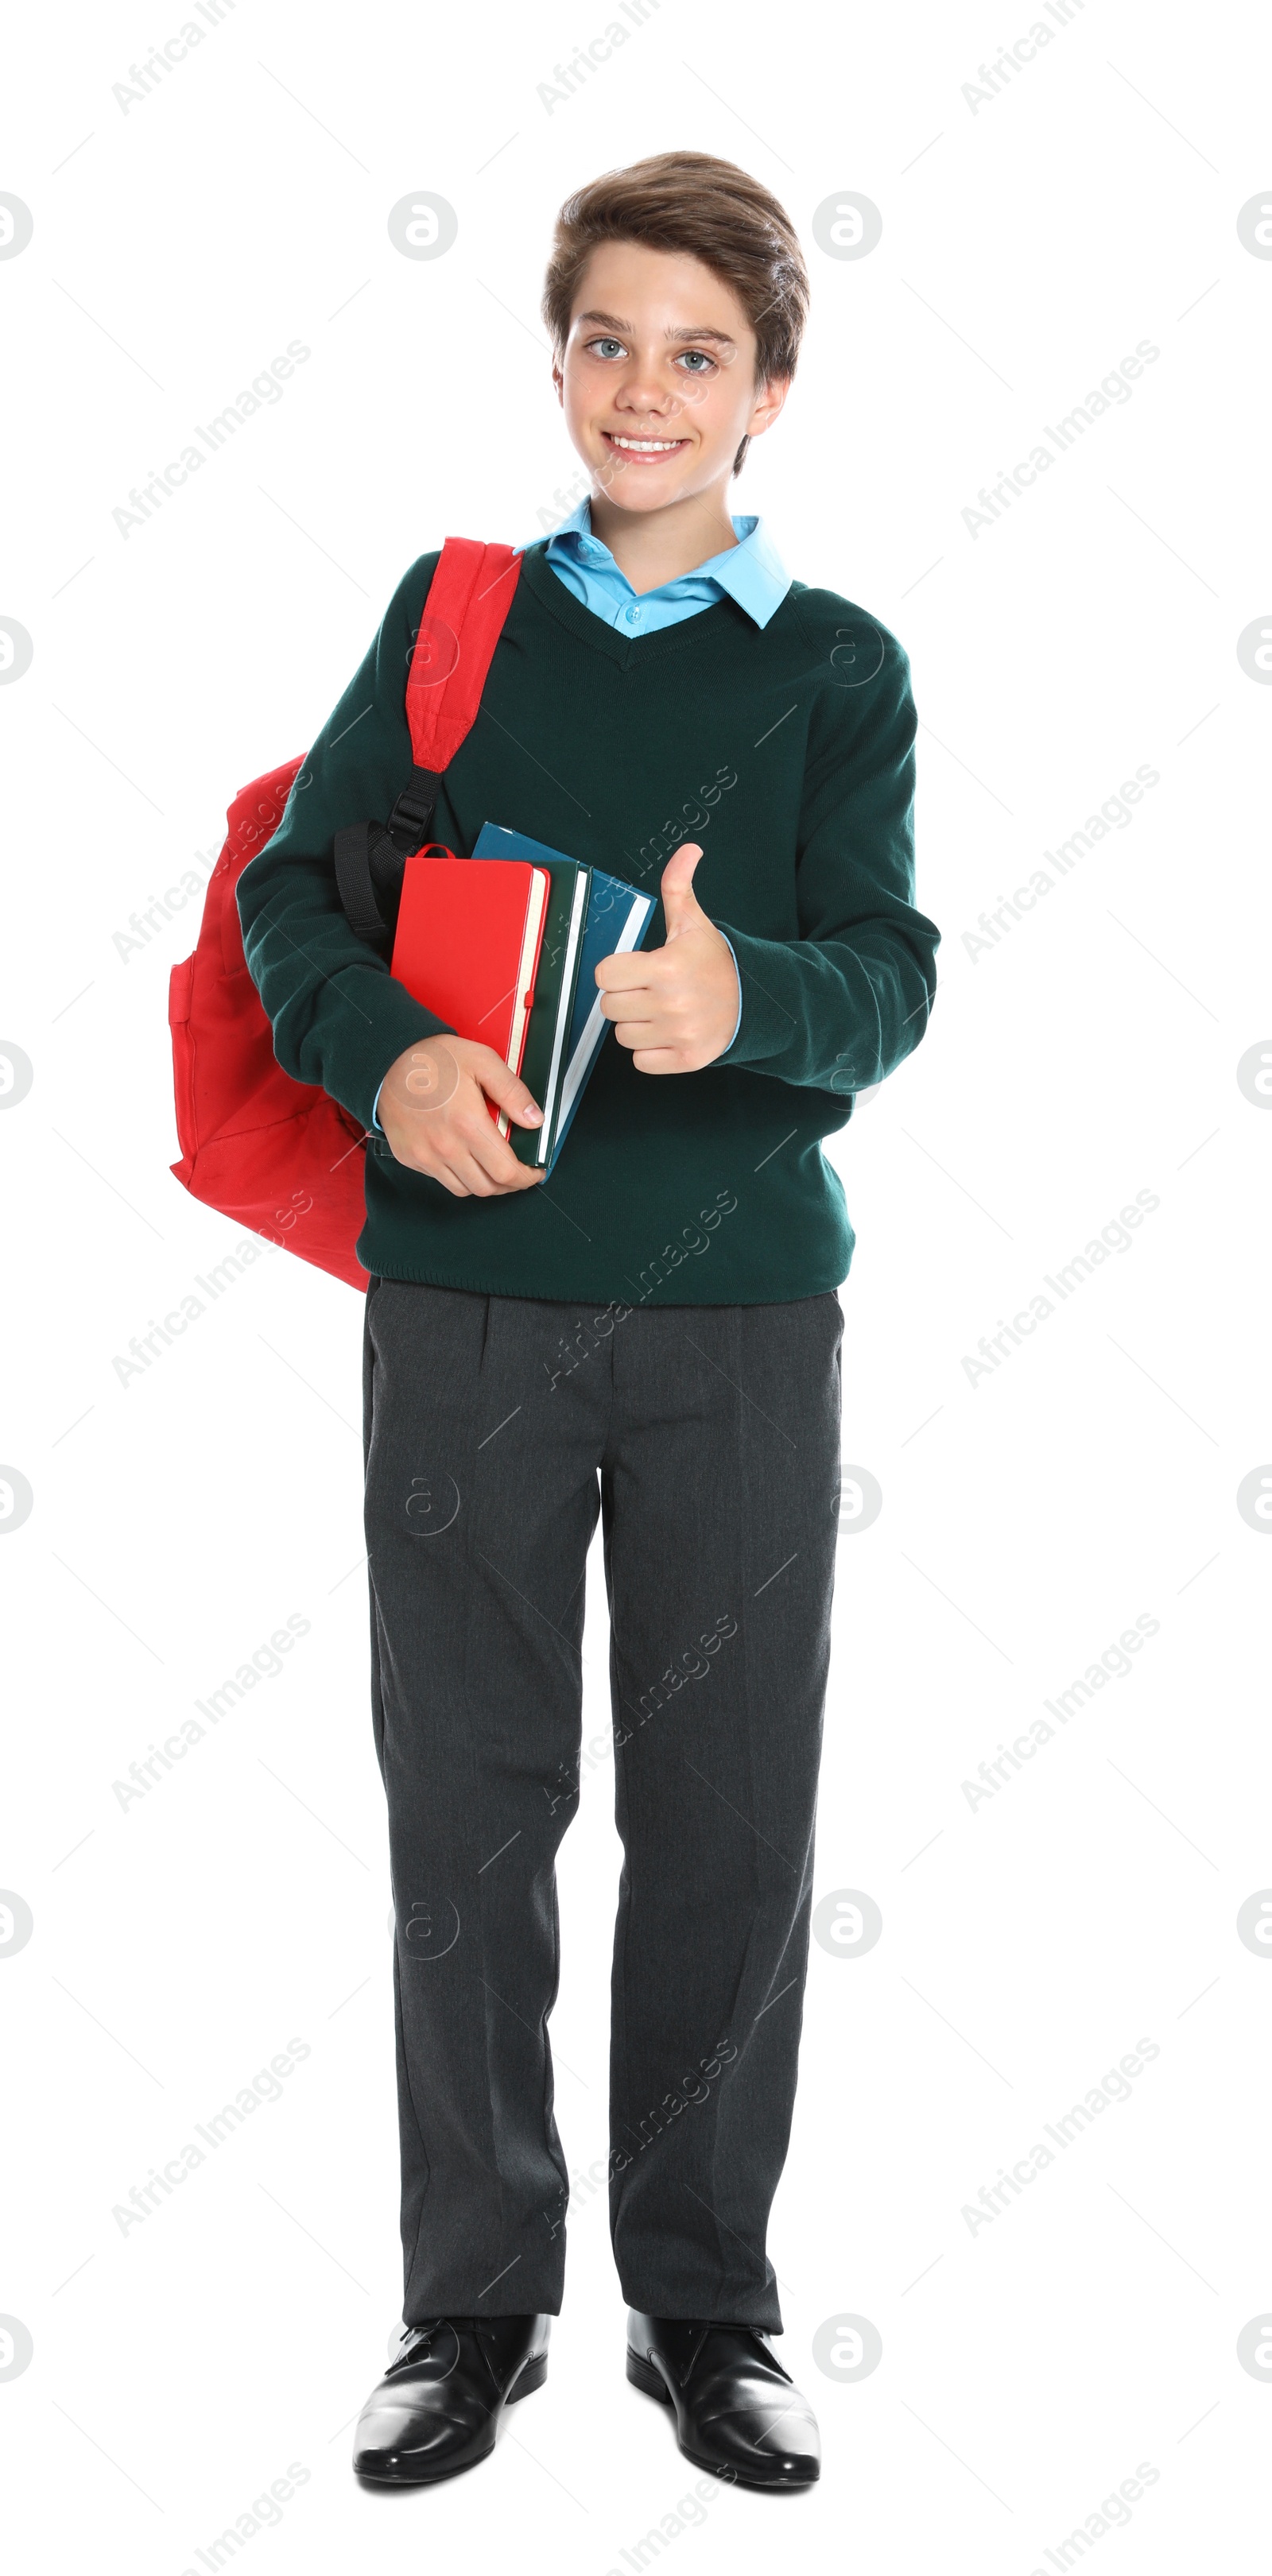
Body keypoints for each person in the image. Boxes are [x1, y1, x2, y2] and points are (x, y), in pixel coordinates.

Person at [237, 149, 940, 2493]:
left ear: (771, 390)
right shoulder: (453, 625)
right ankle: (472, 2300)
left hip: (740, 1316)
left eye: (700, 352)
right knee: (472, 1813)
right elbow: (290, 902)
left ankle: (707, 2304)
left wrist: (754, 994)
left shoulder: (837, 666)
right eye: (608, 341)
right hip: (465, 1308)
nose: (647, 390)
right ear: (556, 357)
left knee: (732, 1820)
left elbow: (895, 980)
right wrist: (389, 1059)